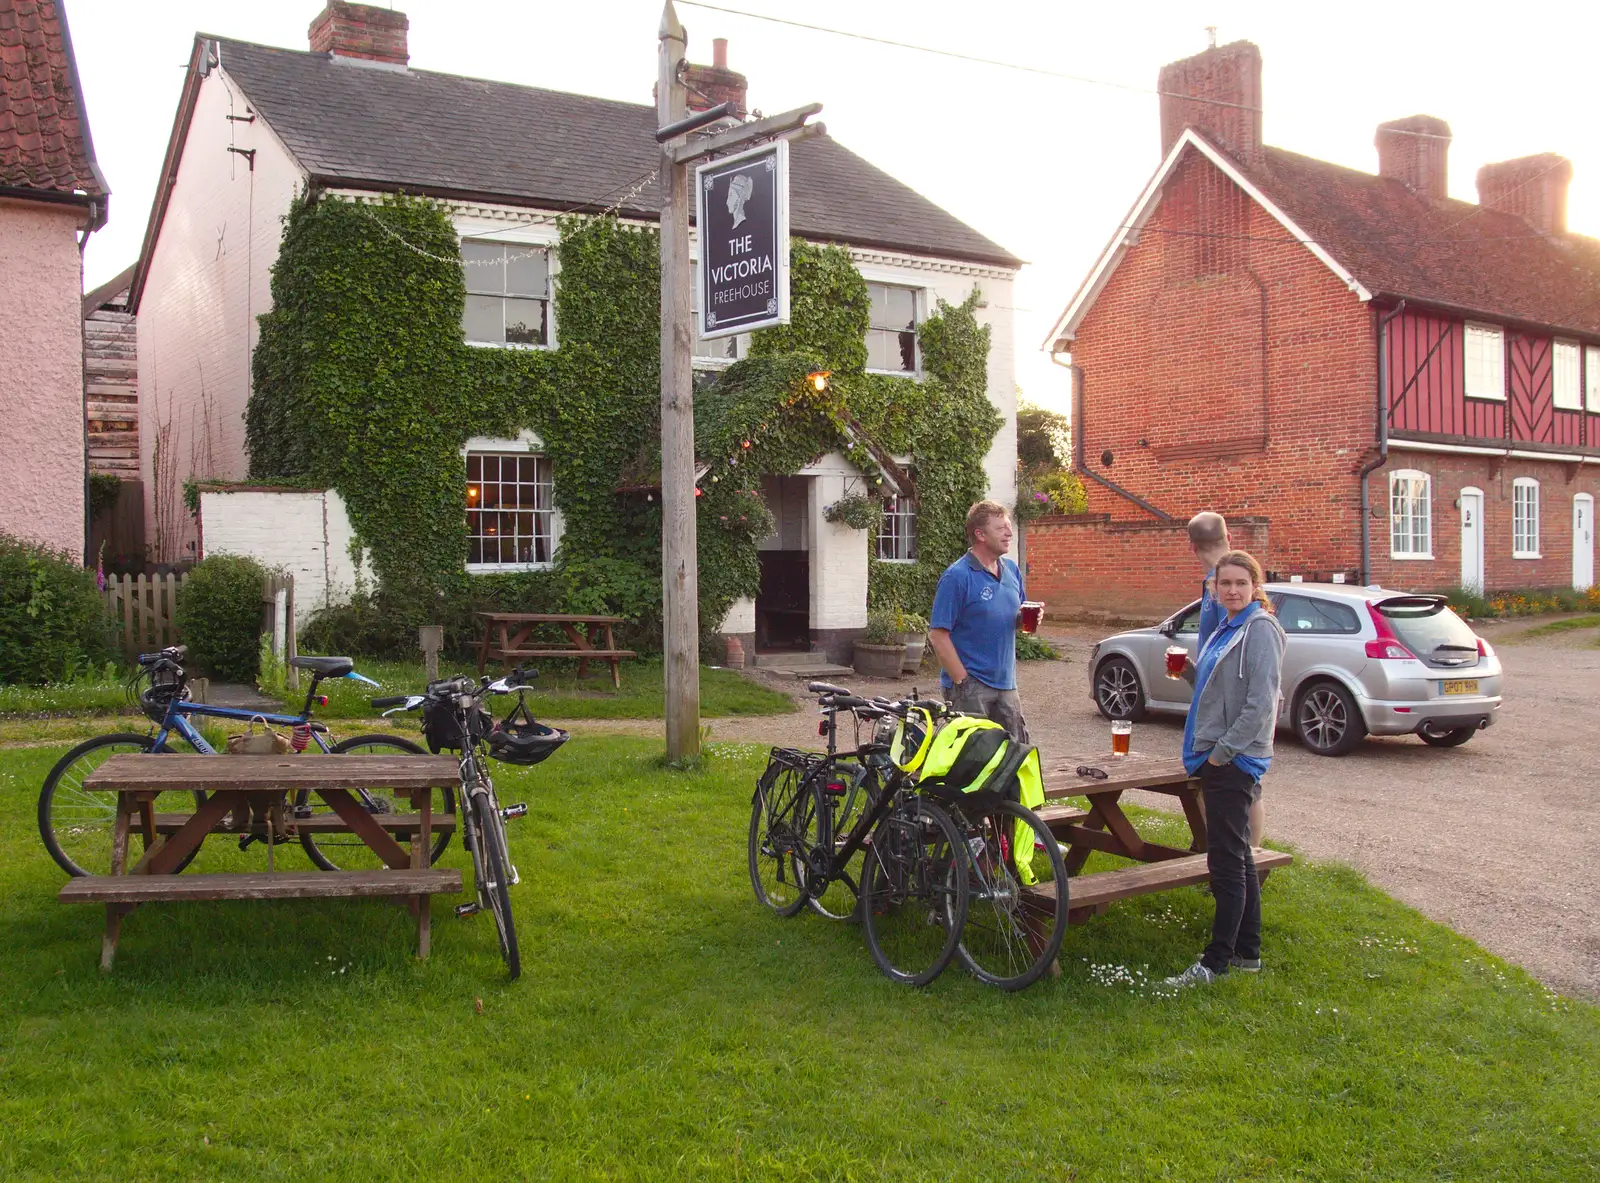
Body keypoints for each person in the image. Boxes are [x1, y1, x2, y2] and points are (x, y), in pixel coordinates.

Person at [1165, 549, 1285, 988]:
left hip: (1232, 759)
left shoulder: (1261, 630)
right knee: (1238, 856)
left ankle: (1214, 963)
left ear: (1255, 586)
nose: (1231, 590)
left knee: (1226, 862)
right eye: (1224, 584)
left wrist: (1223, 753)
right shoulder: (1228, 627)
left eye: (1239, 583)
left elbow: (1261, 703)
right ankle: (1247, 953)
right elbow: (1218, 689)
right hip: (1215, 754)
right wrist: (1188, 673)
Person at [1188, 511, 1265, 846]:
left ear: (1190, 545)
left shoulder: (1224, 592)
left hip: (1229, 711)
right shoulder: (1211, 585)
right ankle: (1226, 855)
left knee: (1242, 786)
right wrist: (1193, 672)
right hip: (1211, 703)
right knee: (1211, 785)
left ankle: (1249, 859)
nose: (1232, 589)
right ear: (1228, 536)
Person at [927, 500, 1029, 741]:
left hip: (1006, 683)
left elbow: (1014, 620)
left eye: (1009, 526)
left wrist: (1025, 619)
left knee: (1016, 752)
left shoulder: (1012, 571)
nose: (1009, 533)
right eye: (1001, 528)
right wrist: (962, 680)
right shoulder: (957, 576)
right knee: (973, 758)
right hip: (971, 686)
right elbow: (938, 634)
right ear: (980, 534)